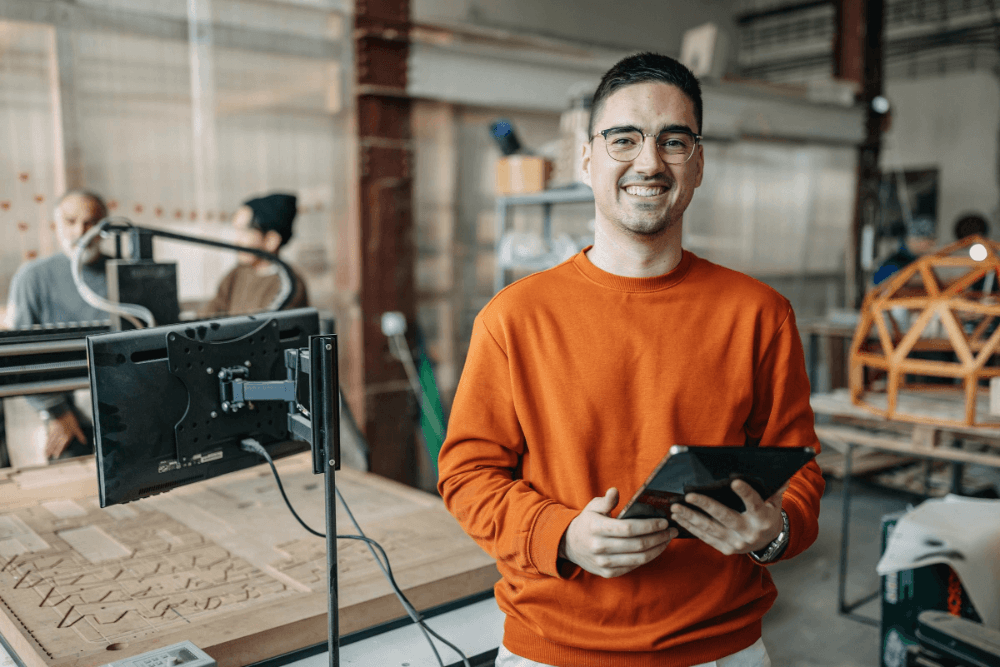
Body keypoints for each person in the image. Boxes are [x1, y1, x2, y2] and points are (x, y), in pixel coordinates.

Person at [437, 52, 825, 667]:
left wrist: (773, 532)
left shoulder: (759, 314)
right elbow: (467, 475)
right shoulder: (514, 318)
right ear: (586, 159)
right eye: (624, 139)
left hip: (719, 649)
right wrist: (560, 534)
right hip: (552, 650)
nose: (649, 162)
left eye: (674, 141)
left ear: (698, 163)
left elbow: (798, 468)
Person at [5, 190, 111, 460]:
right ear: (56, 225)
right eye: (71, 221)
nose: (80, 231)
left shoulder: (125, 272)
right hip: (63, 407)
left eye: (90, 222)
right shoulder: (32, 278)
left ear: (104, 226)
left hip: (120, 403)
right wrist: (56, 412)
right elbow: (16, 358)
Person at [199, 193, 308, 317]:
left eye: (244, 231)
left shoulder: (289, 285)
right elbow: (209, 313)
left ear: (271, 240)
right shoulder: (236, 274)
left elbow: (265, 325)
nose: (236, 240)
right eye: (236, 230)